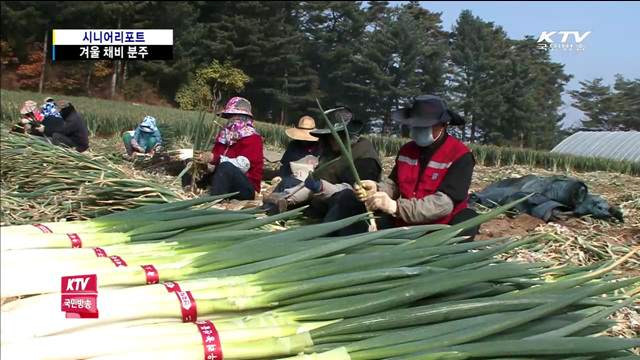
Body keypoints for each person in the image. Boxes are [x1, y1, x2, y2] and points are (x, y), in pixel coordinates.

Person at [354, 95, 480, 242]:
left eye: (425, 126)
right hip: (405, 223)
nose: (419, 130)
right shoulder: (407, 150)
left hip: (440, 227)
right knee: (361, 214)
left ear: (443, 125)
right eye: (416, 126)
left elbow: (442, 205)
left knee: (469, 219)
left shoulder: (460, 155)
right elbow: (394, 185)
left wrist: (396, 207)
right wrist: (376, 189)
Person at [264, 106, 383, 236]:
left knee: (345, 198)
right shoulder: (330, 152)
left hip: (344, 210)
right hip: (319, 200)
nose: (330, 140)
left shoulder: (365, 158)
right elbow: (312, 184)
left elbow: (357, 193)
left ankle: (320, 237)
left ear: (346, 136)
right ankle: (265, 220)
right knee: (288, 183)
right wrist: (286, 197)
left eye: (334, 136)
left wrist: (322, 187)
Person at [183, 97, 264, 200]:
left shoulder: (253, 139)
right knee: (190, 163)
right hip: (220, 181)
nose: (232, 121)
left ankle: (213, 201)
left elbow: (243, 165)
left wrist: (213, 158)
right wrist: (204, 164)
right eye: (230, 117)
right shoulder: (224, 138)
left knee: (226, 167)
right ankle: (187, 193)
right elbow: (213, 163)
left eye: (235, 117)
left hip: (245, 188)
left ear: (245, 118)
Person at [272, 115, 320, 192]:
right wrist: (281, 178)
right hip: (293, 180)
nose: (304, 140)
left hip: (312, 183)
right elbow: (285, 165)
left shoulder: (320, 148)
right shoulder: (294, 145)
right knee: (286, 182)